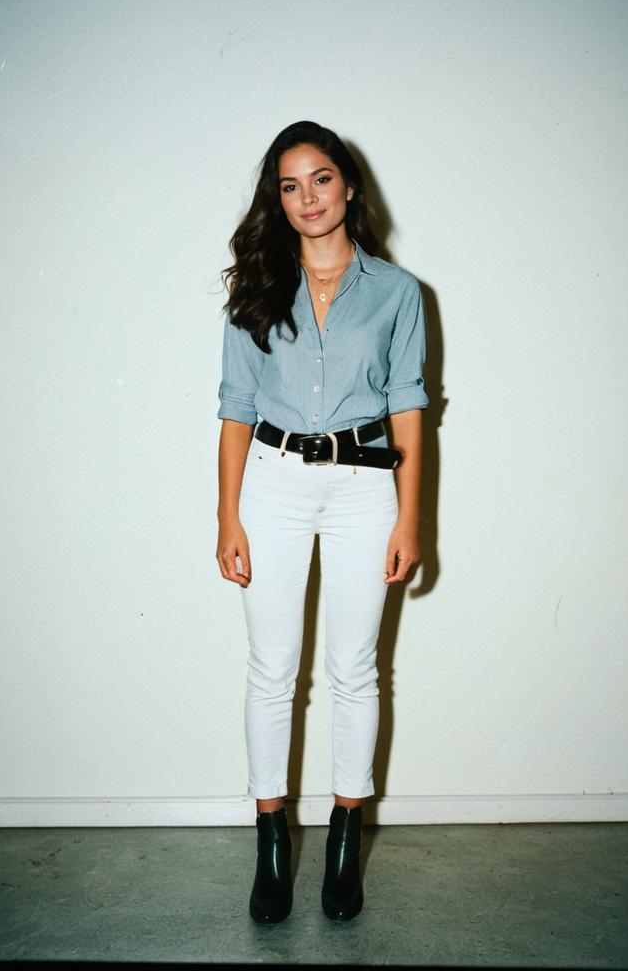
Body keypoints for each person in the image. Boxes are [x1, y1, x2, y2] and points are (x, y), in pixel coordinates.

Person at [215, 119, 428, 924]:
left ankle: (344, 840)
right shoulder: (256, 287)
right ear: (277, 199)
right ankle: (271, 842)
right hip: (271, 484)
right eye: (290, 185)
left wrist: (411, 519)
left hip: (363, 487)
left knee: (354, 669)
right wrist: (228, 517)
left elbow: (407, 407)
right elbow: (236, 408)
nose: (308, 197)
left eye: (321, 179)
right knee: (272, 669)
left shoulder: (399, 293)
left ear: (349, 186)